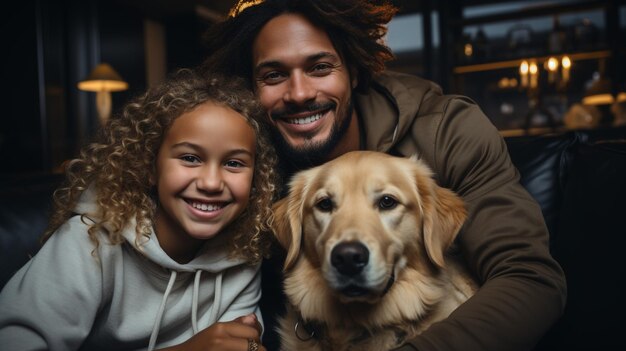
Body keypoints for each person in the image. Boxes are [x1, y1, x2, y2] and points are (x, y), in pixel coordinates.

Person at [200, 1, 567, 350]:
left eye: (320, 67)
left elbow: (529, 277)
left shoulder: (448, 130)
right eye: (274, 74)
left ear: (355, 70)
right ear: (253, 88)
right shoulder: (239, 161)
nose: (299, 93)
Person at [0, 69, 278, 351]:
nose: (211, 183)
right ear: (149, 168)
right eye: (190, 158)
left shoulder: (244, 250)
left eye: (234, 163)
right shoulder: (88, 241)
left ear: (255, 180)